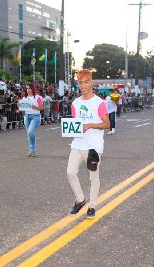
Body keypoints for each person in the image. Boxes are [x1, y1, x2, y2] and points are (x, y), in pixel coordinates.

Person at [66, 69, 110, 219]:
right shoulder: (75, 103)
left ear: (91, 82)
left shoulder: (99, 103)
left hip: (93, 146)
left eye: (86, 82)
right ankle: (80, 200)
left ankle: (92, 206)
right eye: (80, 82)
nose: (83, 85)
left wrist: (90, 125)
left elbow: (106, 124)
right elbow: (76, 124)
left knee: (93, 177)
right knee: (70, 172)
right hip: (77, 144)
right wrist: (71, 129)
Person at [23, 84, 43, 157]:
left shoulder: (38, 97)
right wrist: (20, 107)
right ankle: (31, 151)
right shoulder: (24, 98)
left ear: (33, 89)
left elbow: (41, 108)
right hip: (26, 116)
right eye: (27, 88)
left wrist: (33, 107)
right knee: (29, 133)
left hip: (35, 116)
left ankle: (33, 149)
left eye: (29, 88)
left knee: (30, 131)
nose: (28, 90)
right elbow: (23, 108)